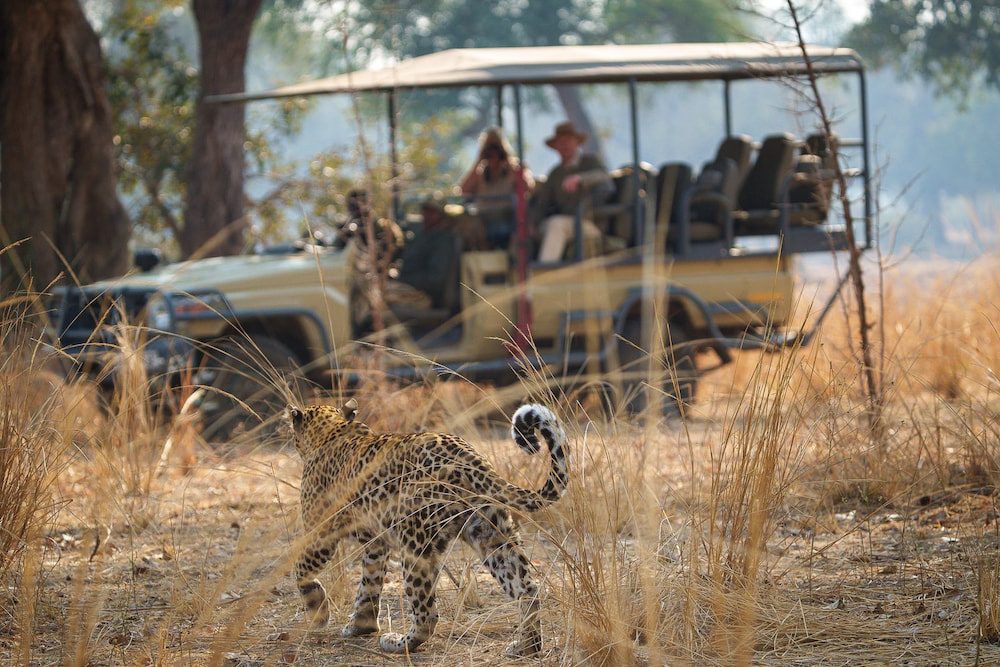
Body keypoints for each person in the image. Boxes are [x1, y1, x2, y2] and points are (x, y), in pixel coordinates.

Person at [530, 121, 612, 262]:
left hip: (589, 223)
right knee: (531, 229)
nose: (564, 145)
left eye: (568, 140)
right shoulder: (556, 173)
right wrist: (531, 223)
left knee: (556, 224)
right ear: (555, 147)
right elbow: (543, 202)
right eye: (560, 142)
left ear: (577, 143)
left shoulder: (590, 162)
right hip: (566, 222)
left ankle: (545, 275)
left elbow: (604, 177)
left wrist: (580, 179)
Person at [459, 127, 534, 249]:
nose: (494, 155)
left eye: (497, 150)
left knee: (522, 225)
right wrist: (478, 162)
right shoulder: (479, 174)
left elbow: (527, 188)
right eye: (489, 151)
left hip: (507, 215)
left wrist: (510, 163)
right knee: (466, 224)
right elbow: (463, 190)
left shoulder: (513, 171)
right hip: (483, 218)